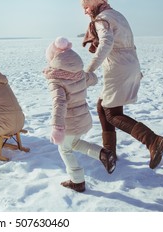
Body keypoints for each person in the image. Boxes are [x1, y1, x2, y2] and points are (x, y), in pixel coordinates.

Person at [81, 0, 163, 169]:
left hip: (118, 67)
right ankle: (109, 152)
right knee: (102, 105)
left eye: (87, 8)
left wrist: (89, 70)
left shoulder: (101, 19)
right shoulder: (117, 15)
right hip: (130, 63)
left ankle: (153, 141)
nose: (86, 12)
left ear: (95, 5)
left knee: (112, 113)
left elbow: (106, 43)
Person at [44, 37, 116, 193]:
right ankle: (103, 154)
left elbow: (59, 103)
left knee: (65, 149)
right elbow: (94, 79)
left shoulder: (56, 80)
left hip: (69, 123)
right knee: (74, 144)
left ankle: (77, 181)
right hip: (83, 118)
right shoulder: (79, 74)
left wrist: (57, 127)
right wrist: (85, 76)